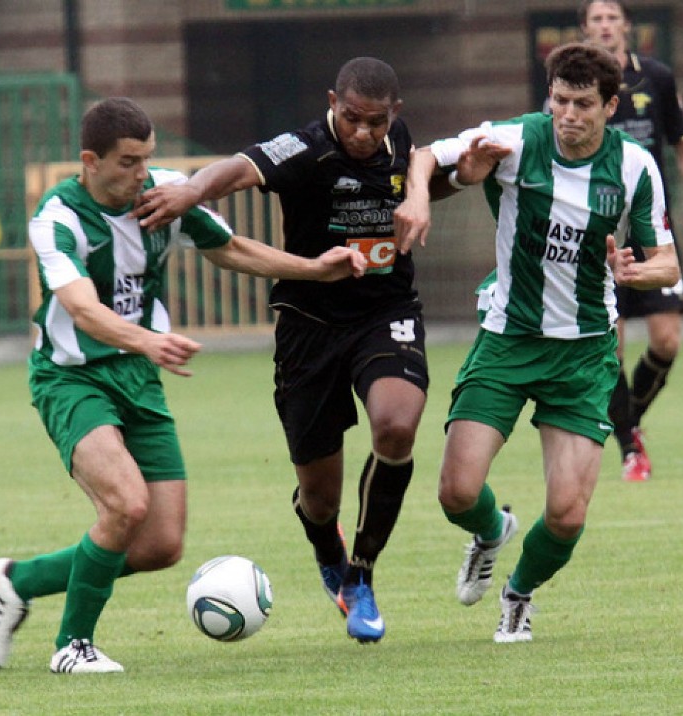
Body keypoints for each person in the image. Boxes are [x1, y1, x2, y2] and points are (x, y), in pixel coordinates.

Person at [0, 96, 366, 674]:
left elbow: (230, 248)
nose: (142, 175)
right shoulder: (57, 219)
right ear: (90, 160)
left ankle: (19, 580)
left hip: (139, 380)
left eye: (148, 160)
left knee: (160, 545)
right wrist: (146, 340)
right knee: (125, 504)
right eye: (128, 163)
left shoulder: (164, 196)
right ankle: (72, 645)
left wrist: (314, 269)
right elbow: (82, 309)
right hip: (72, 378)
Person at [134, 57, 430, 644]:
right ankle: (329, 548)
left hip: (384, 313)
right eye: (352, 119)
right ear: (332, 104)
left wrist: (420, 192)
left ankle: (361, 577)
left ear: (393, 114)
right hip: (308, 324)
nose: (364, 133)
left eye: (376, 121)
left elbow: (430, 156)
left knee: (396, 428)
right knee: (320, 500)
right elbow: (238, 169)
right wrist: (190, 191)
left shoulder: (399, 142)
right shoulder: (307, 147)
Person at [394, 42, 680, 642]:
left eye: (582, 104)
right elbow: (421, 156)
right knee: (456, 492)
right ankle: (491, 528)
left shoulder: (634, 168)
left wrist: (634, 272)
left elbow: (668, 265)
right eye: (559, 101)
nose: (568, 115)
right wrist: (420, 194)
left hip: (583, 353)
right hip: (509, 338)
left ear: (609, 106)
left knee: (567, 515)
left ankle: (518, 593)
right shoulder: (517, 140)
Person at [579, 0, 683, 481]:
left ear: (627, 28)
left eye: (613, 18)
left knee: (667, 340)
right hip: (595, 232)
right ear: (584, 29)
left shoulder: (656, 77)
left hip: (650, 227)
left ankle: (628, 422)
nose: (606, 26)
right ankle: (629, 446)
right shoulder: (576, 85)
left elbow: (682, 144)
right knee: (609, 351)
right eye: (596, 19)